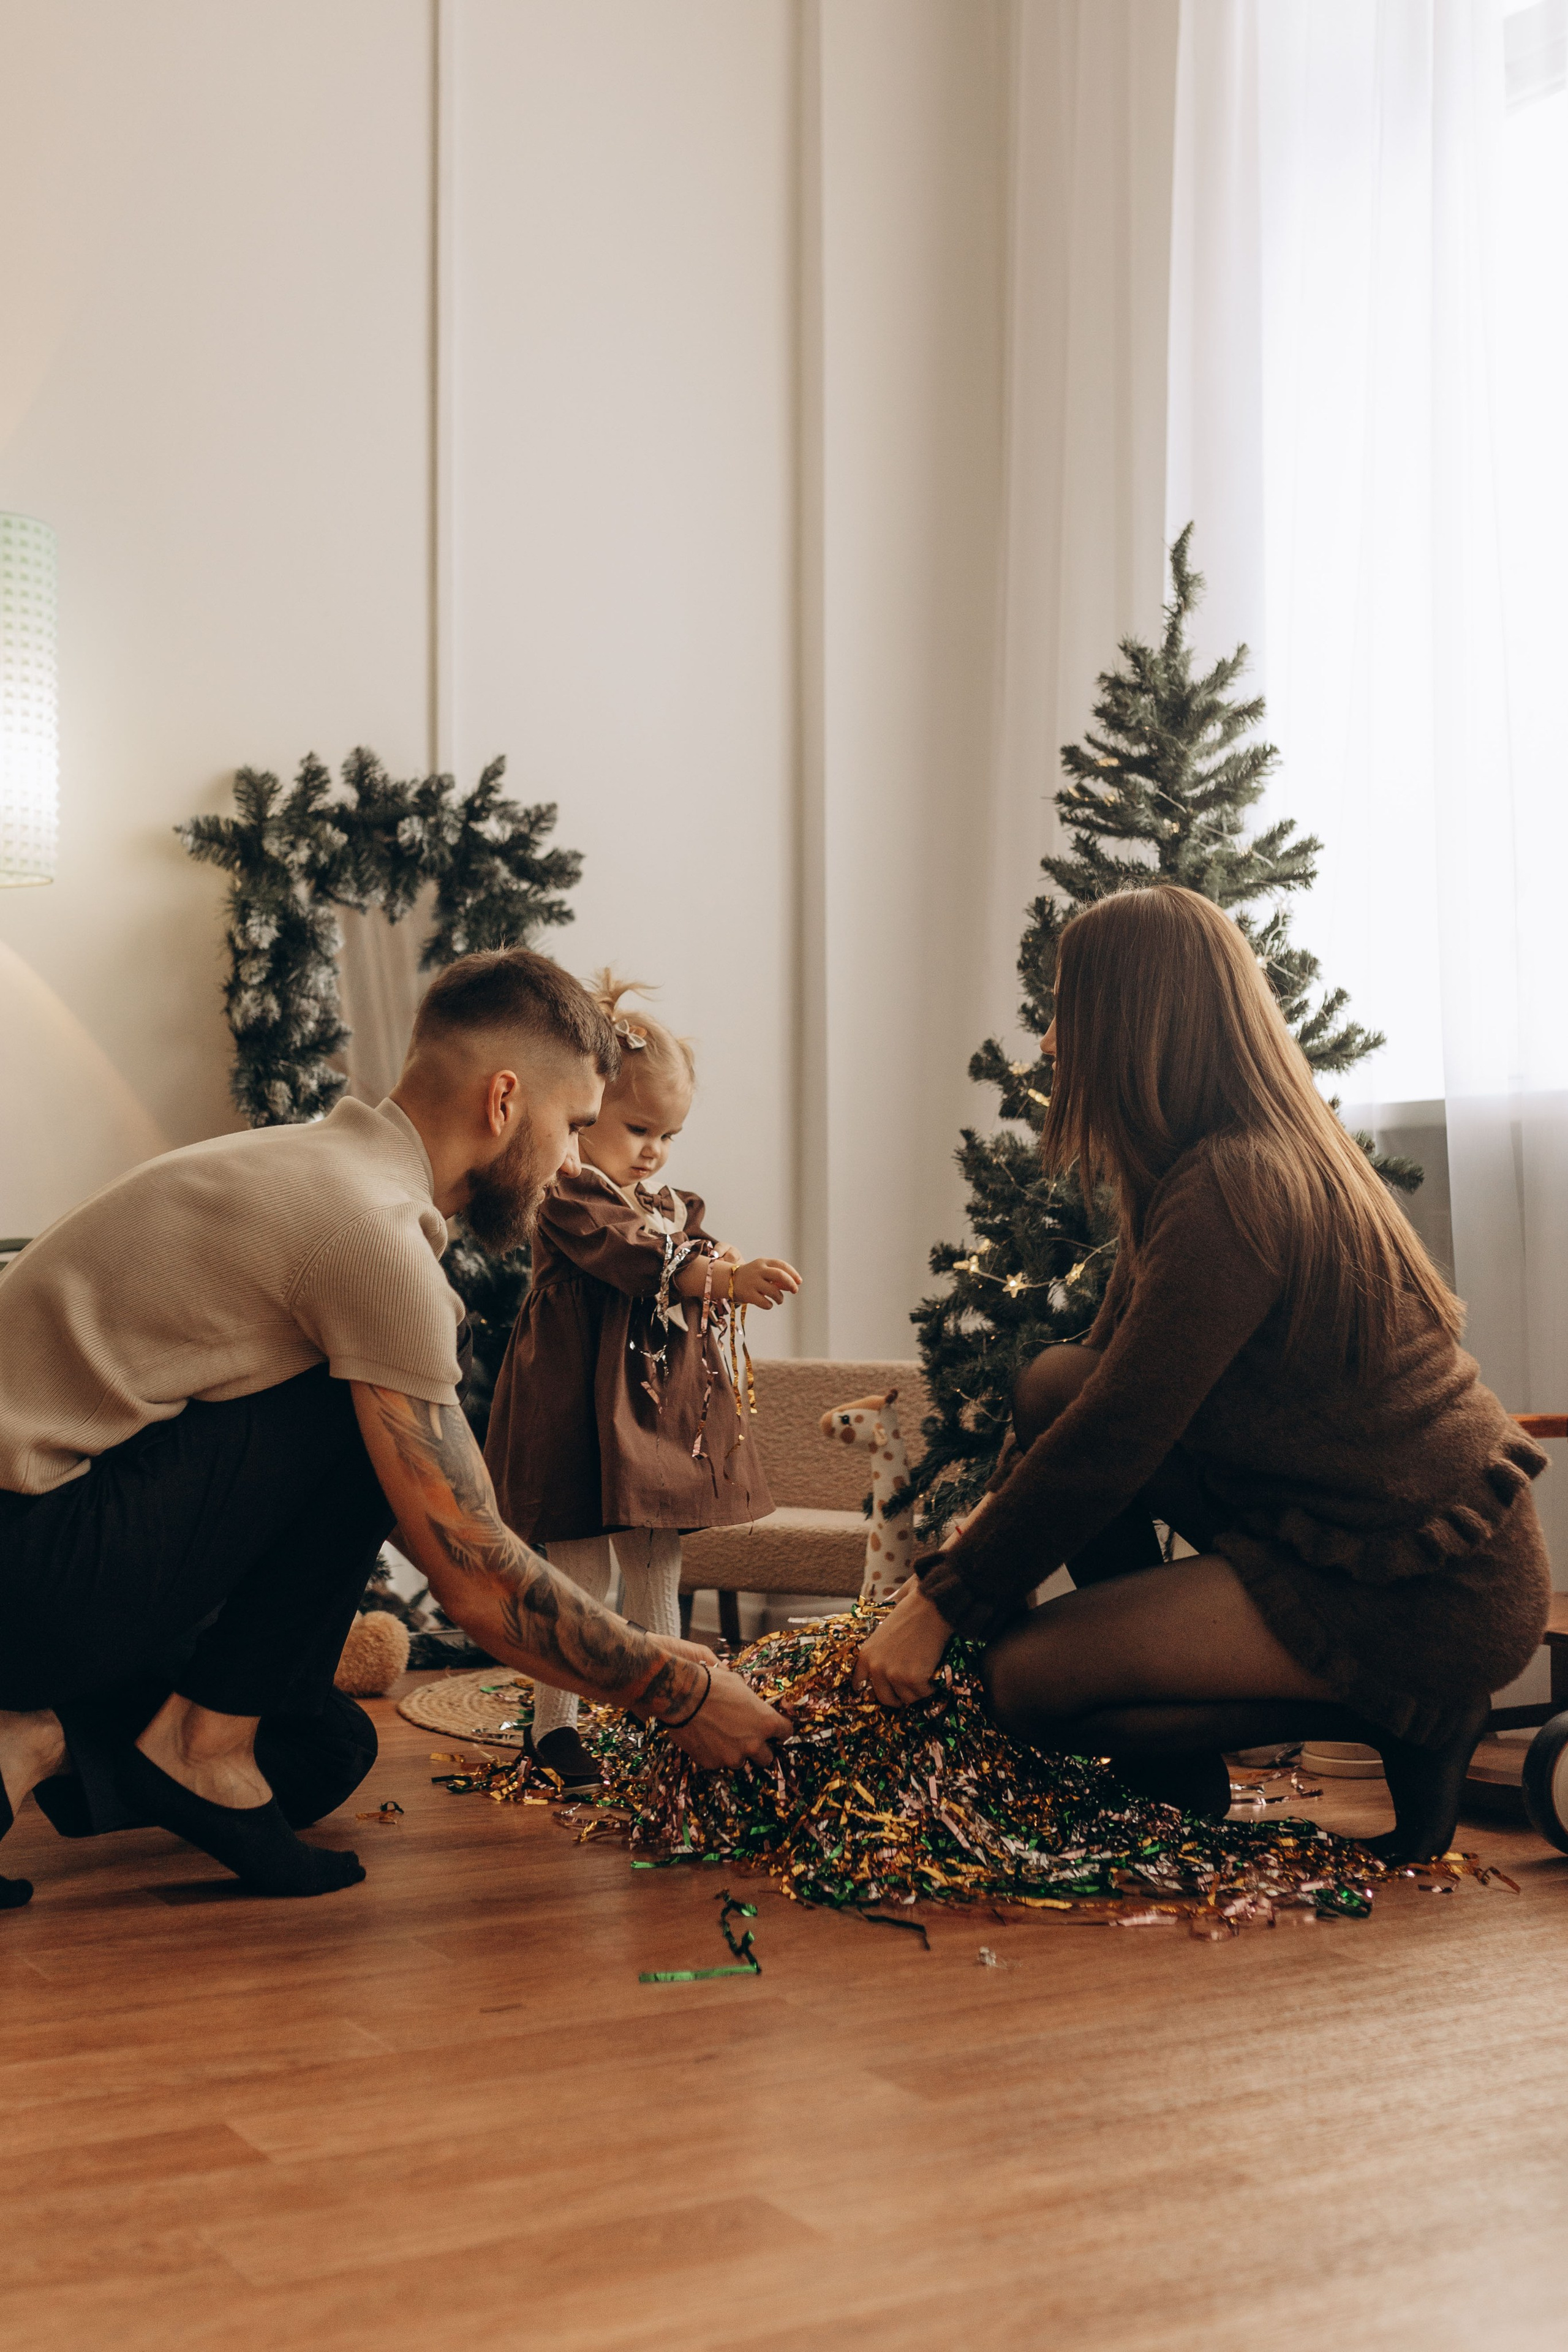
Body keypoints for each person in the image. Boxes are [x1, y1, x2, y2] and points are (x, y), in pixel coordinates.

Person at [0, 948, 790, 1907]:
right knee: (370, 1397)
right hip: (26, 1564)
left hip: (53, 1546)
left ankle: (36, 1737)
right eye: (576, 1126)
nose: (572, 1165)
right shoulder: (366, 1233)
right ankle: (192, 1745)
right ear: (504, 1100)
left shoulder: (315, 1164)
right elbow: (473, 1574)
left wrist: (633, 1646)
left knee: (320, 1752)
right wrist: (678, 1691)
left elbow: (420, 1527)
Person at [851, 885, 1551, 1862]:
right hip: (1338, 1538)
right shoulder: (1198, 1172)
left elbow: (1119, 1438)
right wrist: (961, 1568)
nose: (1049, 1041)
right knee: (1055, 1379)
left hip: (1425, 1591)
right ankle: (1178, 1773)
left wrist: (943, 1606)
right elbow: (1090, 1402)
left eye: (1066, 1011)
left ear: (1134, 1023)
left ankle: (1407, 1720)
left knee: (1024, 1683)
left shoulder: (1235, 1184)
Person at [484, 973, 801, 1792]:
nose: (654, 1149)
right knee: (580, 1571)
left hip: (651, 1405)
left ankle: (669, 1708)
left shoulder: (665, 1203)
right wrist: (717, 1276)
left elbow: (687, 1250)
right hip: (574, 1404)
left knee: (657, 1555)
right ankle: (553, 1728)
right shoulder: (568, 1194)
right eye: (637, 1128)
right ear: (585, 1111)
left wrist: (725, 1265)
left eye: (669, 1133)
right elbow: (633, 1254)